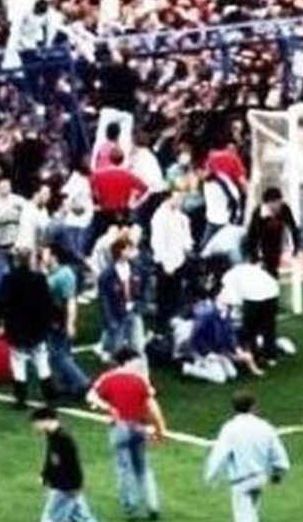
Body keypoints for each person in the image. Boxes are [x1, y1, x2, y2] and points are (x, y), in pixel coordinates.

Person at [87, 347, 166, 521]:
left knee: (124, 470)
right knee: (143, 468)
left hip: (119, 428)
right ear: (129, 361)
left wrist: (108, 407)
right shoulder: (140, 380)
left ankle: (131, 508)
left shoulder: (107, 378)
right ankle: (152, 506)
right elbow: (152, 406)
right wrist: (160, 429)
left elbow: (91, 397)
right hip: (139, 427)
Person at [205, 391, 291, 522]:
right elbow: (278, 452)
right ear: (253, 406)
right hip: (260, 479)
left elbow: (219, 455)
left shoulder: (230, 428)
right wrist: (279, 472)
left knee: (243, 518)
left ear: (234, 408)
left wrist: (211, 476)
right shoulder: (265, 426)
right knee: (251, 514)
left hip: (241, 482)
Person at [0, 246, 55, 408]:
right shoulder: (39, 278)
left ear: (16, 261)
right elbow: (47, 303)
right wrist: (49, 322)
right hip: (37, 328)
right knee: (42, 363)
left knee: (18, 363)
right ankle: (50, 397)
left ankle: (21, 399)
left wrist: (1, 322)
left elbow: (3, 304)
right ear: (30, 260)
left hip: (16, 328)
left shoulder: (8, 279)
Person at [31, 407, 101, 522]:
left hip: (65, 487)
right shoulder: (52, 436)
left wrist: (74, 487)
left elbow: (74, 464)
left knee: (50, 519)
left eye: (37, 422)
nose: (35, 426)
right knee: (82, 518)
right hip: (66, 486)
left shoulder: (64, 439)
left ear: (47, 420)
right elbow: (51, 458)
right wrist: (45, 475)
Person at [42, 244, 89, 401]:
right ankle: (69, 385)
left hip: (59, 321)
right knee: (64, 353)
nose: (42, 257)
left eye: (45, 254)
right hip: (54, 319)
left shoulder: (63, 275)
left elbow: (70, 301)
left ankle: (82, 382)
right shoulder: (56, 273)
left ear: (54, 256)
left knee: (57, 355)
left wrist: (70, 323)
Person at [218, 259, 281, 366]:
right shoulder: (249, 269)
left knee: (250, 330)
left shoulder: (228, 276)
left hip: (254, 297)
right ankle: (270, 356)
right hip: (272, 293)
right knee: (269, 328)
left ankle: (254, 356)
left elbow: (233, 298)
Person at [150, 190, 194, 331]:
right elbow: (158, 242)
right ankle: (161, 322)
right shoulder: (159, 217)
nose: (179, 201)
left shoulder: (180, 216)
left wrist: (187, 246)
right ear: (168, 199)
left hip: (178, 258)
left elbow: (184, 236)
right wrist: (165, 263)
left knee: (175, 291)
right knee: (163, 294)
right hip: (165, 261)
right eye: (176, 198)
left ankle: (173, 317)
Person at [98, 238, 146, 357]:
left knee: (137, 346)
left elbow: (143, 288)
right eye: (128, 249)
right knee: (117, 350)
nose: (132, 252)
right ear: (120, 251)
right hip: (117, 314)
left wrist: (141, 305)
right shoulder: (107, 274)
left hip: (134, 310)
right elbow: (104, 300)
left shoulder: (136, 268)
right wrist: (110, 320)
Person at [245, 187, 301, 279]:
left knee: (274, 258)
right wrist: (253, 256)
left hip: (276, 236)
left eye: (279, 202)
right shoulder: (259, 213)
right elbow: (252, 236)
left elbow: (293, 228)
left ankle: (273, 274)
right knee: (266, 260)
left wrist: (296, 247)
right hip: (263, 237)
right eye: (275, 203)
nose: (278, 206)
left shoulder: (284, 209)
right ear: (268, 203)